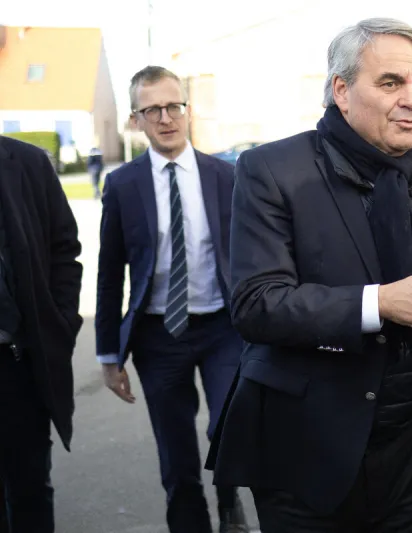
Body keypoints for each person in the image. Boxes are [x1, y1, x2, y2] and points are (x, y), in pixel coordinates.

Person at [206, 18, 412, 532]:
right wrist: (377, 303)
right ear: (341, 90)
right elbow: (255, 304)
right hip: (307, 448)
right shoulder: (271, 170)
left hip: (410, 452)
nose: (411, 99)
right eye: (390, 83)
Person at [95, 66, 248, 533]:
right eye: (153, 110)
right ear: (136, 119)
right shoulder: (123, 185)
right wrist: (109, 354)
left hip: (223, 328)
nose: (166, 118)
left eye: (174, 106)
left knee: (227, 426)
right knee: (176, 451)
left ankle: (229, 502)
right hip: (159, 334)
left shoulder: (227, 176)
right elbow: (109, 273)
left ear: (186, 109)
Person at [0, 135, 83, 532]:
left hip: (17, 363)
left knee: (29, 488)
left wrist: (61, 326)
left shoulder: (28, 163)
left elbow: (64, 249)